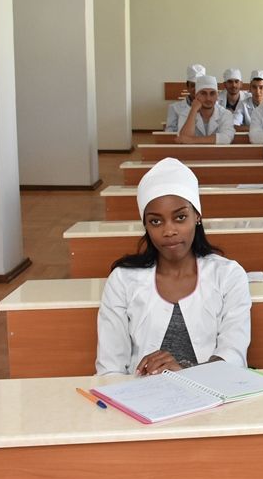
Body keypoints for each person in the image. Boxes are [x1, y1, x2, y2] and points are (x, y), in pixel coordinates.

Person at [96, 157, 252, 376]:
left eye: (180, 217)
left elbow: (233, 356)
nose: (169, 231)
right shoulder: (123, 279)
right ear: (145, 225)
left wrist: (184, 372)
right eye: (156, 221)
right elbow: (109, 368)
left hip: (212, 390)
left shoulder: (228, 275)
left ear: (197, 216)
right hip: (141, 393)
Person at [175, 75, 235, 145]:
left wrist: (192, 140)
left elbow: (226, 138)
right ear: (196, 95)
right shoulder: (186, 113)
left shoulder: (225, 114)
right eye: (203, 93)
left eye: (212, 93)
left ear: (217, 96)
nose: (208, 98)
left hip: (218, 152)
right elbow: (182, 139)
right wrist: (193, 110)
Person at [165, 63, 205, 132]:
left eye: (199, 85)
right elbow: (169, 132)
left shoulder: (215, 106)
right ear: (187, 87)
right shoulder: (174, 108)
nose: (196, 89)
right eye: (193, 86)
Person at [218, 68, 252, 132]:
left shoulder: (250, 99)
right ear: (224, 84)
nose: (233, 85)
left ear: (241, 84)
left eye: (236, 81)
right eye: (230, 82)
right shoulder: (217, 100)